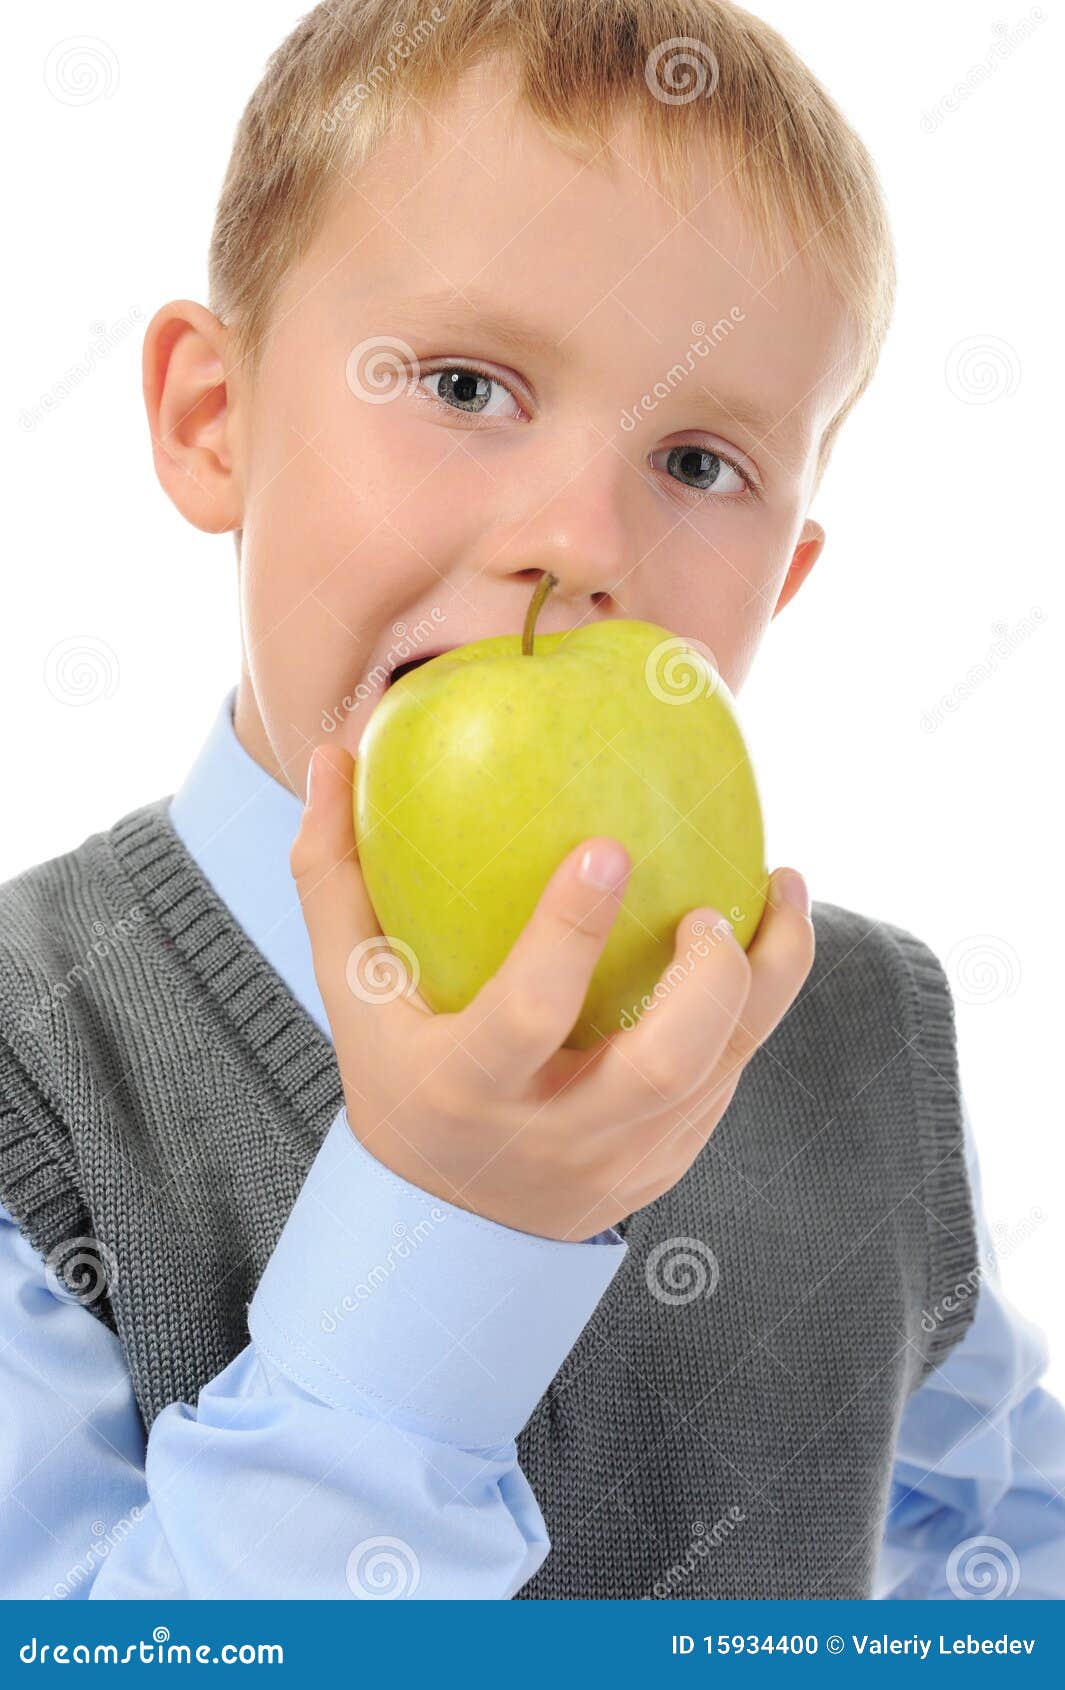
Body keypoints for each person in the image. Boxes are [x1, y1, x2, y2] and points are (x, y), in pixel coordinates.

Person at [1, 0, 1062, 1600]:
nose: (580, 537)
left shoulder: (857, 1031)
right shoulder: (32, 1063)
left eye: (700, 463)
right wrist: (443, 1229)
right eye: (465, 385)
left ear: (787, 576)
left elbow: (994, 1543)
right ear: (212, 419)